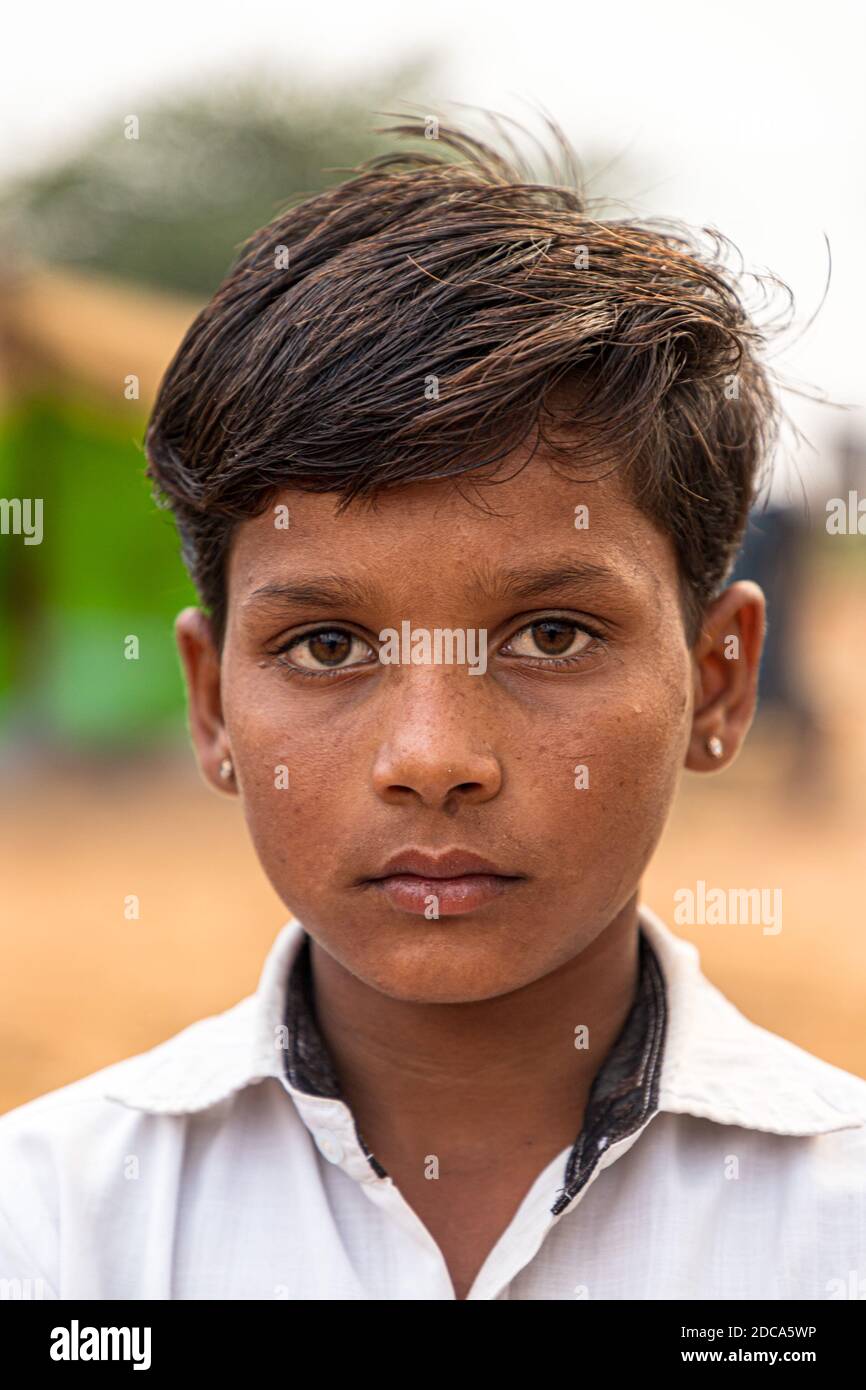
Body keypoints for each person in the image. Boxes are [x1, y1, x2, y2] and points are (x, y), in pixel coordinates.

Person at [1, 113, 864, 1302]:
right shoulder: (53, 1231)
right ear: (210, 706)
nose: (433, 758)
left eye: (551, 635)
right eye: (327, 644)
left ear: (716, 680)